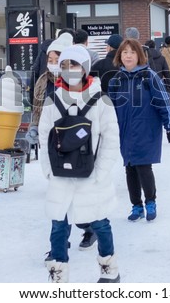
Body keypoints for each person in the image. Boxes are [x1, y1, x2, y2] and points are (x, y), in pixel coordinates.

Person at [38, 45, 121, 283]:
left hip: (92, 174)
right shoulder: (53, 100)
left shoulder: (100, 100)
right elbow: (44, 138)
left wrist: (101, 172)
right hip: (60, 174)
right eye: (64, 65)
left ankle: (109, 269)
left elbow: (111, 139)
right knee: (58, 225)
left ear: (84, 68)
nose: (68, 70)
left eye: (73, 64)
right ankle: (59, 274)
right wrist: (48, 171)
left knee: (100, 223)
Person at [28, 34, 98, 256]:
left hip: (77, 147)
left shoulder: (79, 84)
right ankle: (58, 247)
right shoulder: (42, 81)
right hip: (53, 145)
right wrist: (34, 126)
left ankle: (90, 227)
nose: (51, 60)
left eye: (56, 56)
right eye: (49, 57)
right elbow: (37, 107)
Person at [108, 39, 170, 223]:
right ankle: (136, 205)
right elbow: (109, 109)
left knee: (143, 166)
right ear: (120, 56)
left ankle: (150, 202)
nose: (128, 56)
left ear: (139, 55)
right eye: (125, 52)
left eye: (132, 52)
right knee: (129, 167)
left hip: (146, 129)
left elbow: (163, 101)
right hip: (124, 130)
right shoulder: (116, 80)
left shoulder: (149, 77)